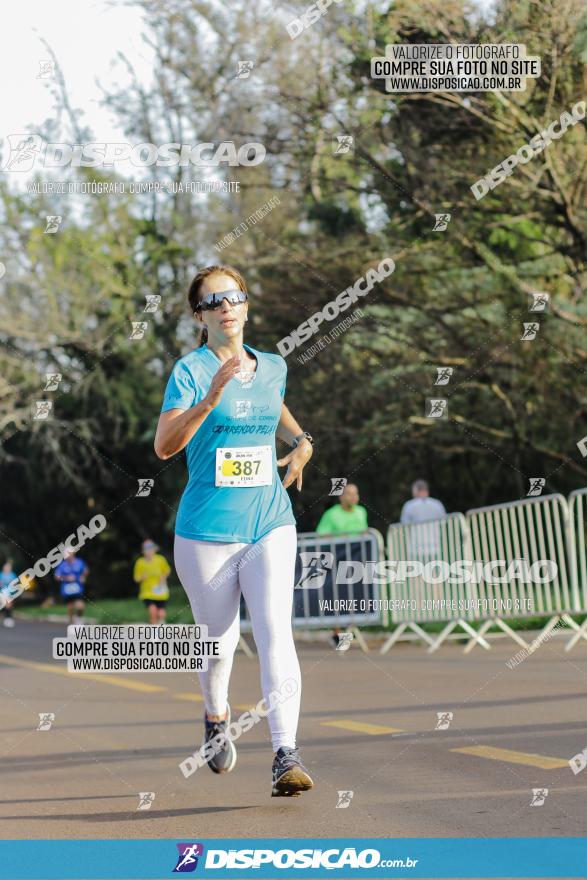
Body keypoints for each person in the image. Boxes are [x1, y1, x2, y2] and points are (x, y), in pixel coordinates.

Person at [154, 264, 315, 797]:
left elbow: (274, 406)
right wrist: (209, 399)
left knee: (274, 633)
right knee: (218, 645)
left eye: (235, 297)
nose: (227, 306)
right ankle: (215, 717)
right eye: (214, 300)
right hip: (206, 530)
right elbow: (164, 447)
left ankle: (285, 754)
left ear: (246, 306)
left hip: (269, 519)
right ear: (200, 316)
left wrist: (302, 439)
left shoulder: (271, 365)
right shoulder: (190, 370)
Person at [316, 484, 369, 648]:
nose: (353, 497)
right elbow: (320, 536)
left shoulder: (361, 512)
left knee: (355, 597)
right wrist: (338, 537)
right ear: (341, 497)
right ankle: (338, 634)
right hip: (337, 564)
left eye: (356, 493)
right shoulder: (331, 515)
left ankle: (346, 634)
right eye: (349, 494)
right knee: (338, 598)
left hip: (358, 563)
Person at [400, 479, 447, 560]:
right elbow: (444, 522)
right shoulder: (437, 504)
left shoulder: (409, 505)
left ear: (415, 490)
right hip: (434, 546)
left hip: (416, 548)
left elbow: (404, 524)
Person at [133, 539, 172, 624]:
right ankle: (154, 634)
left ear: (155, 549)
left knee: (161, 614)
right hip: (147, 592)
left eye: (151, 549)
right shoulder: (140, 562)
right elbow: (136, 578)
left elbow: (167, 570)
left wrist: (163, 576)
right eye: (147, 549)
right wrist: (141, 578)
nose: (149, 551)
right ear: (143, 551)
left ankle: (161, 622)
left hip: (161, 592)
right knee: (153, 612)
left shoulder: (160, 559)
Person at [54, 551, 88, 624]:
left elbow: (85, 570)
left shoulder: (79, 562)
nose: (68, 556)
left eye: (70, 554)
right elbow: (57, 576)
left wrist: (83, 576)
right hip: (67, 590)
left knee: (80, 607)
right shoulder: (62, 565)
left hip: (78, 588)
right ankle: (71, 622)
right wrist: (66, 578)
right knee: (70, 607)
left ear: (73, 554)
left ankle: (79, 619)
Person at [0, 560, 17, 628]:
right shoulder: (1, 574)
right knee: (5, 605)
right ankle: (7, 618)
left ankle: (8, 619)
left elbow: (15, 583)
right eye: (6, 567)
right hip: (2, 592)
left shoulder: (12, 574)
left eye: (8, 567)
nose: (7, 568)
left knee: (9, 605)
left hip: (9, 592)